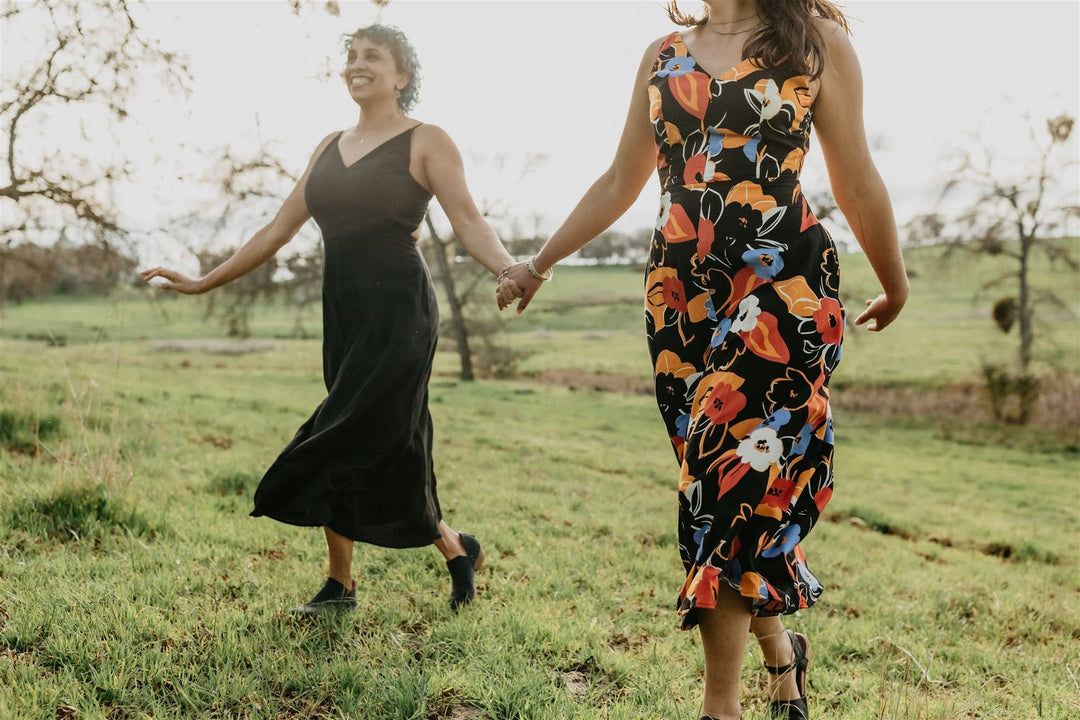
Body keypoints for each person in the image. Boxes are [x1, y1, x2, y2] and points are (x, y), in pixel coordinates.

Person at [497, 1, 908, 718]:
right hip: (680, 297)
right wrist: (540, 262)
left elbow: (855, 174)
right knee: (726, 487)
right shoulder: (662, 54)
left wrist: (895, 281)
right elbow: (621, 179)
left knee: (725, 476)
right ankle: (784, 657)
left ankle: (720, 707)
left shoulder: (815, 42)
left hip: (785, 284)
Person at [142, 24, 514, 615]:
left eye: (372, 57)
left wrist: (507, 267)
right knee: (378, 439)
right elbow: (276, 230)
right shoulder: (327, 147)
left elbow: (469, 220)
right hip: (344, 311)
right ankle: (444, 551)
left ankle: (350, 583)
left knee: (348, 433)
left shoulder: (426, 140)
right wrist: (202, 280)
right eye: (350, 57)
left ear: (402, 76)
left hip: (400, 313)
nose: (356, 65)